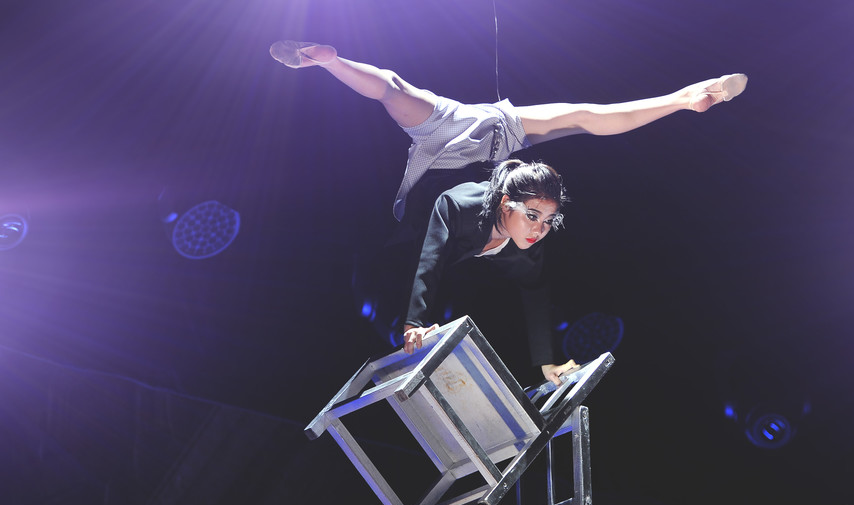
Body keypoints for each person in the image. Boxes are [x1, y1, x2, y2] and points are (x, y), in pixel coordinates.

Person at [269, 40, 747, 384]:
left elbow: (536, 294)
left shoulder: (524, 244)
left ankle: (687, 98)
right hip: (449, 136)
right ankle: (329, 61)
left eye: (546, 222)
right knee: (394, 89)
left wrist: (546, 362)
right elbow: (431, 258)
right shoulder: (459, 205)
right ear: (505, 205)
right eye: (534, 219)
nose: (539, 232)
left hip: (499, 137)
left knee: (585, 115)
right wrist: (414, 322)